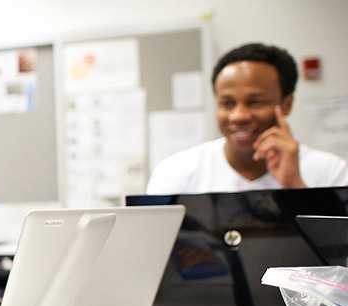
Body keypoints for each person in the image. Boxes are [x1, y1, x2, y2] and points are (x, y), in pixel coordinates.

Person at [147, 43, 348, 194]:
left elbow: (339, 247)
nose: (239, 116)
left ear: (287, 104)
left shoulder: (331, 173)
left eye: (255, 102)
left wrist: (295, 185)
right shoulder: (176, 173)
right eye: (227, 103)